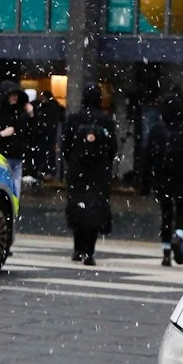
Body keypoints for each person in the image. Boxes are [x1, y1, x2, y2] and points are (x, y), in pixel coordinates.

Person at [144, 92, 183, 267]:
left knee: (166, 214)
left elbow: (148, 158)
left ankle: (166, 252)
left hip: (162, 179)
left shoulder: (157, 130)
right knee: (182, 212)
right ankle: (178, 236)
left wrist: (146, 181)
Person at [60, 86, 116, 266]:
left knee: (77, 205)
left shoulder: (74, 119)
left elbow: (66, 146)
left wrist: (73, 160)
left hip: (78, 170)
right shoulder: (106, 120)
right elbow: (112, 147)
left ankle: (77, 247)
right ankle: (90, 251)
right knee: (95, 208)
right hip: (99, 172)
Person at [0, 82, 32, 193]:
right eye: (11, 94)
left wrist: (31, 114)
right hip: (2, 157)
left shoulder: (20, 113)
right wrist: (1, 134)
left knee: (14, 192)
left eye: (16, 94)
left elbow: (31, 131)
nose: (14, 97)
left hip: (16, 157)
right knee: (5, 191)